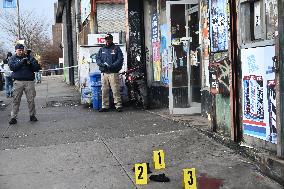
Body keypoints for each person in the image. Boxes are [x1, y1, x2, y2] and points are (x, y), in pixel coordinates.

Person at [8, 44, 41, 124]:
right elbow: (12, 67)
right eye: (19, 50)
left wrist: (29, 64)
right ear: (16, 50)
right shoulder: (13, 58)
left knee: (31, 100)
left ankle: (32, 115)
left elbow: (37, 68)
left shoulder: (29, 57)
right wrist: (21, 63)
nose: (21, 51)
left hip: (29, 82)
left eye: (22, 50)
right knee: (16, 100)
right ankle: (13, 117)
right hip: (18, 82)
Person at [96, 33, 124, 112]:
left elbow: (120, 59)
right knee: (104, 90)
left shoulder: (116, 48)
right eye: (106, 39)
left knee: (115, 90)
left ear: (112, 39)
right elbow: (97, 59)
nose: (108, 40)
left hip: (113, 73)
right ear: (105, 40)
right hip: (104, 73)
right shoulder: (102, 49)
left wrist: (112, 66)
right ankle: (105, 106)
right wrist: (102, 65)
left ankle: (118, 106)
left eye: (109, 39)